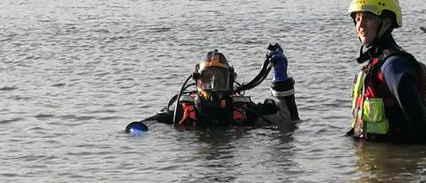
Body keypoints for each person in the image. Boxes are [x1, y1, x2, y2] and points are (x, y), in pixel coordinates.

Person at [126, 44, 299, 133]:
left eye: (220, 80)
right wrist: (136, 130)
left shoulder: (243, 110)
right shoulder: (182, 110)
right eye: (207, 79)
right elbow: (150, 124)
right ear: (197, 82)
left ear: (230, 82)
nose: (214, 86)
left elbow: (287, 120)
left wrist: (280, 77)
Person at [346, 0, 426, 144]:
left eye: (367, 18)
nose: (360, 25)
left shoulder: (393, 65)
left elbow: (420, 124)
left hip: (396, 162)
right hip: (376, 161)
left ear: (386, 23)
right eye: (357, 19)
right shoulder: (377, 63)